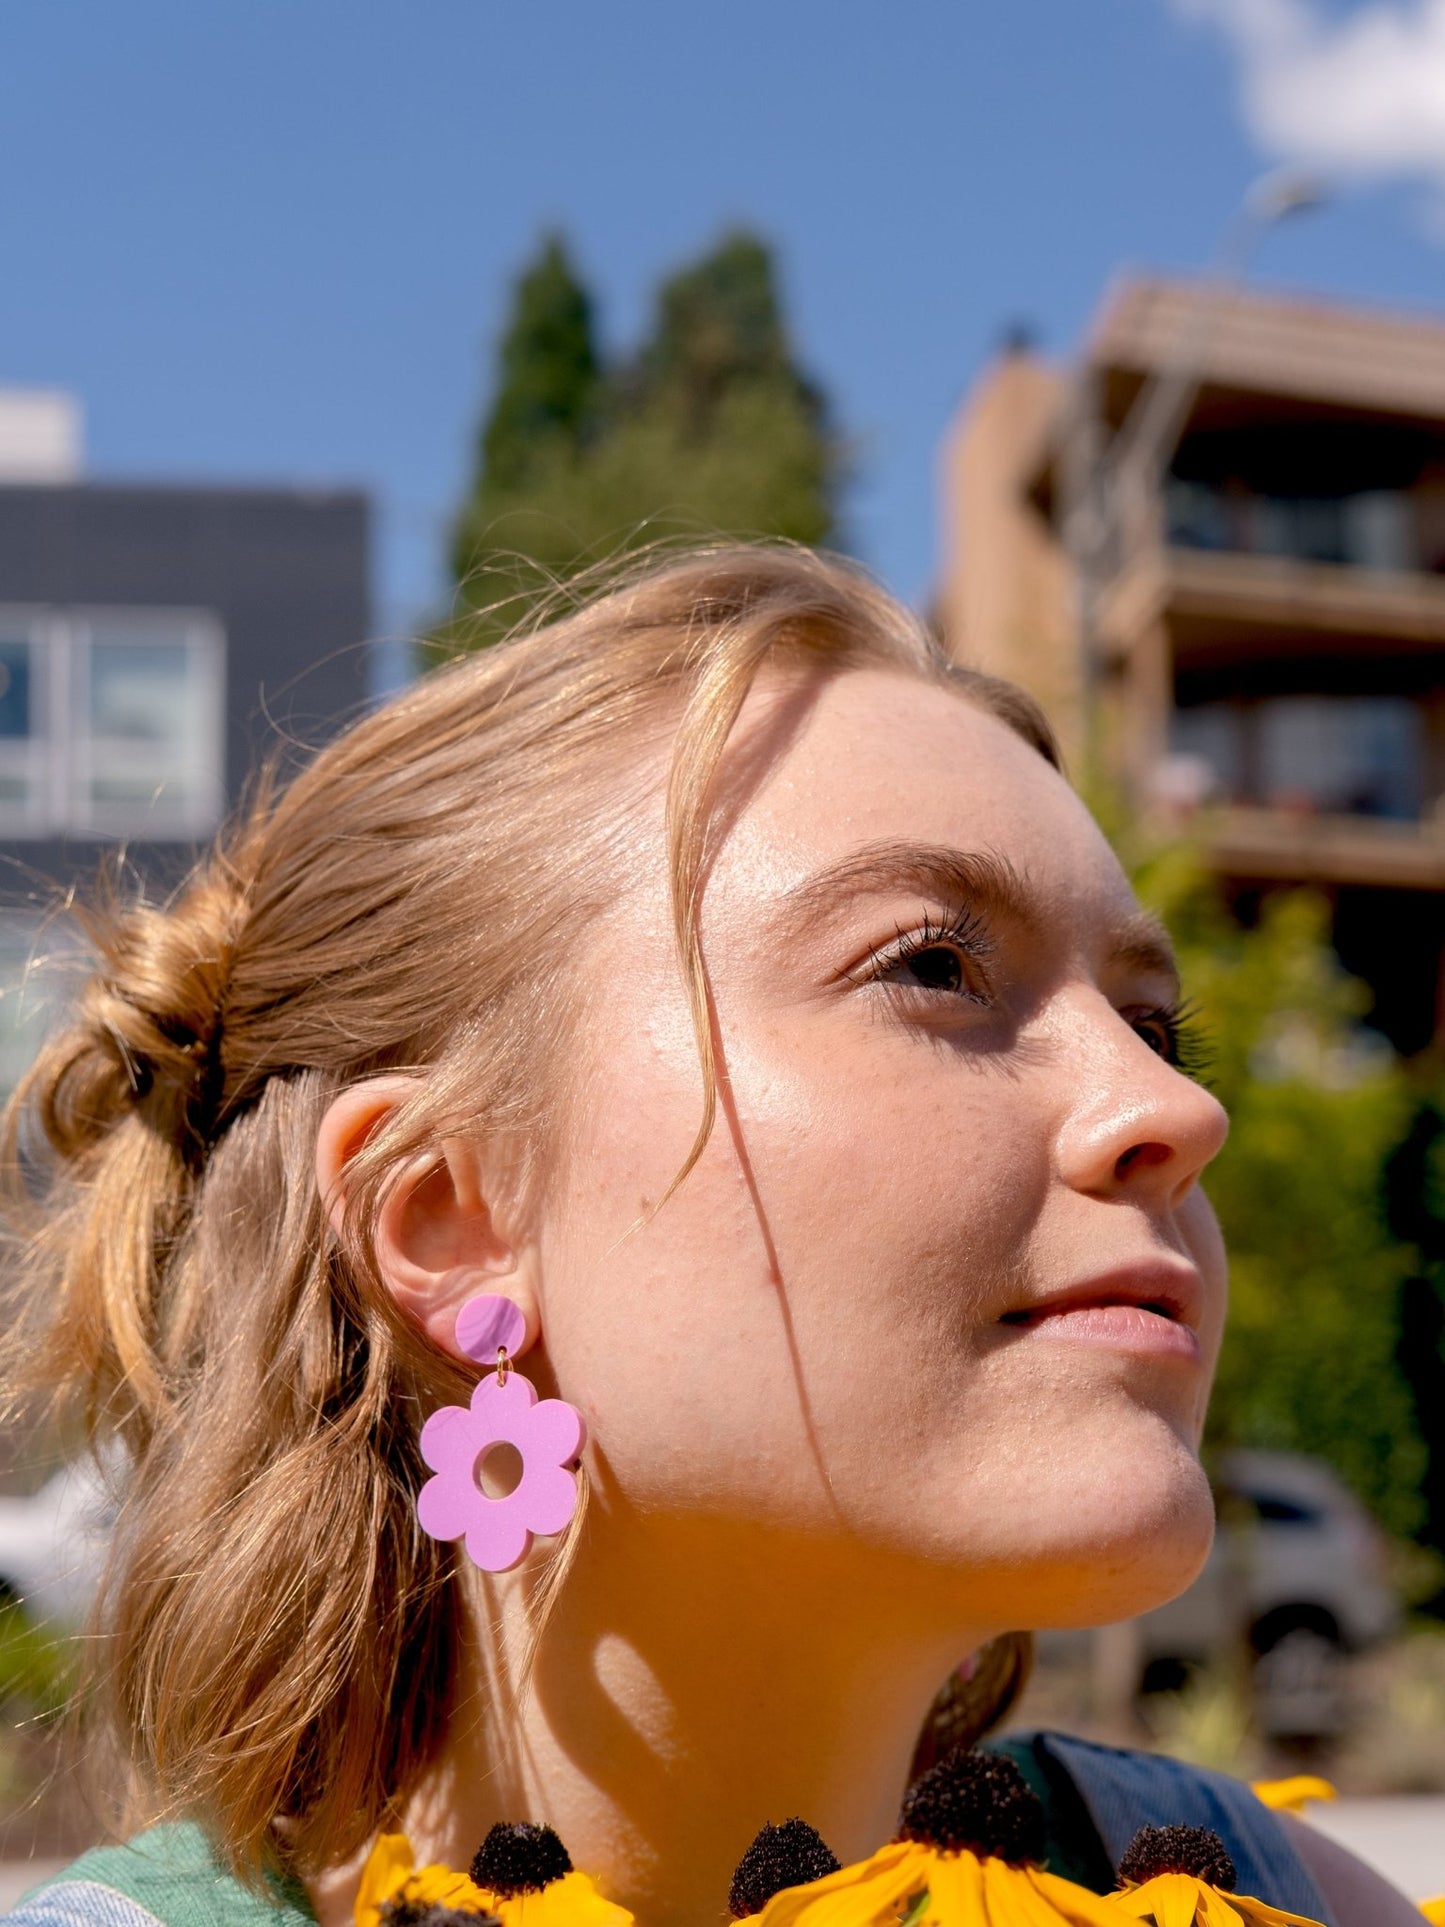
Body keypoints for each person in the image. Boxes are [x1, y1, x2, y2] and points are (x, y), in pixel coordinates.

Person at [0, 546, 1420, 1927]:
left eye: (1152, 1022)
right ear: (451, 1218)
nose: (1173, 1105)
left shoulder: (1270, 1903)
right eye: (933, 965)